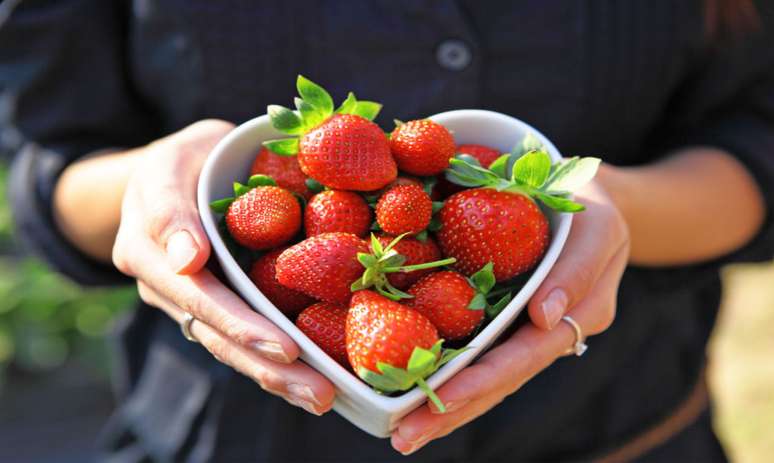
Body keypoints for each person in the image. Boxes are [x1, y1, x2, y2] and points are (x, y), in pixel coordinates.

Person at [2, 1, 772, 461]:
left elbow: (757, 140)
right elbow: (53, 165)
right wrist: (154, 191)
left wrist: (612, 204)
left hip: (621, 432)